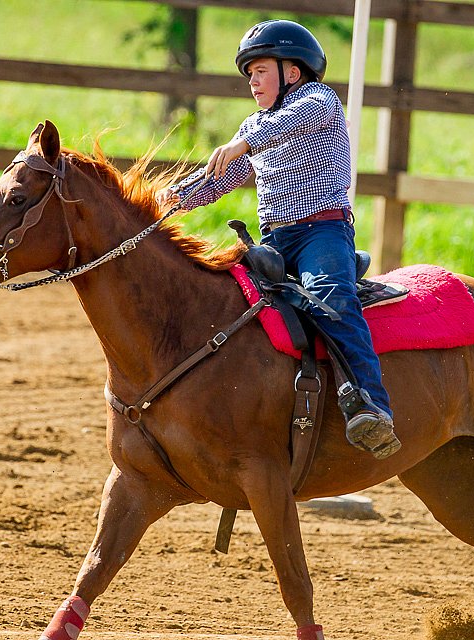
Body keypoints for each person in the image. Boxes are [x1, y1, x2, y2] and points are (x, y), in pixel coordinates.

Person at [156, 20, 400, 460]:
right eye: (248, 73)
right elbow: (220, 178)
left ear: (292, 72)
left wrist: (243, 142)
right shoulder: (257, 126)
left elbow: (283, 125)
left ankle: (371, 404)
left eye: (261, 70)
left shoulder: (318, 102)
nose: (252, 81)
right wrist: (170, 200)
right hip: (273, 239)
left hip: (322, 232)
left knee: (331, 298)